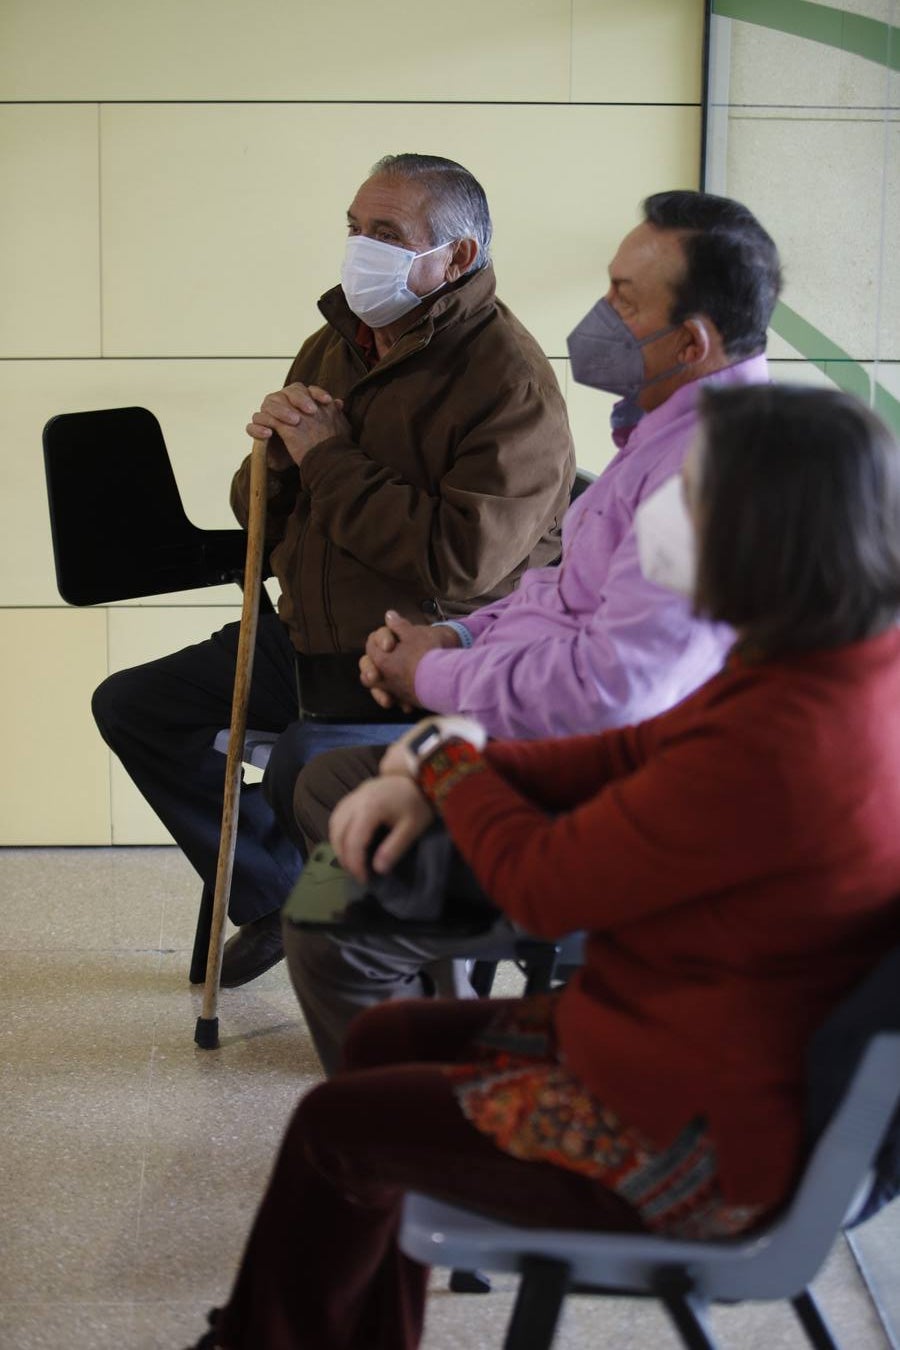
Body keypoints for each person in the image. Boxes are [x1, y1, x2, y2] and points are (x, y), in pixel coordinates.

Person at [189, 384, 900, 1350]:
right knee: (384, 1042)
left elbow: (541, 882)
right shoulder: (838, 662)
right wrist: (447, 761)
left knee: (338, 1120)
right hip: (697, 1055)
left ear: (767, 529)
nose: (660, 513)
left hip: (692, 1139)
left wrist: (439, 758)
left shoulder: (785, 738)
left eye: (692, 495)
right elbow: (627, 756)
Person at [280, 189, 783, 1073]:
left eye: (625, 299)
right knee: (331, 786)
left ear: (694, 342)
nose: (601, 317)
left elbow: (613, 692)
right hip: (586, 753)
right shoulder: (665, 436)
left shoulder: (711, 475)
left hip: (619, 801)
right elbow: (561, 590)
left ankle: (417, 1110)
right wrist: (457, 646)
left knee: (331, 919)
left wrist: (433, 695)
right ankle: (423, 990)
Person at [90, 153, 575, 987]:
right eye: (355, 229)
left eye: (387, 235)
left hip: (417, 652)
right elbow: (259, 511)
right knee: (133, 706)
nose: (361, 251)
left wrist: (328, 458)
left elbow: (460, 564)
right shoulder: (333, 342)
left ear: (455, 258)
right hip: (302, 636)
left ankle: (367, 952)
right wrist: (276, 460)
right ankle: (274, 891)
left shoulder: (510, 381)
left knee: (300, 766)